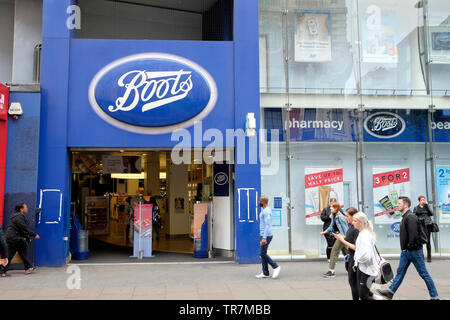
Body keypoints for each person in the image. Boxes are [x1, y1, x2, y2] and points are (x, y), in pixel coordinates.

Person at [377, 196, 439, 300]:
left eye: (399, 203)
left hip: (414, 251)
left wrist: (409, 247)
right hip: (406, 252)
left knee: (424, 274)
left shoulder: (410, 217)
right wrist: (406, 249)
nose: (397, 205)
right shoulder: (406, 216)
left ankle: (435, 296)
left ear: (406, 205)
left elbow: (413, 235)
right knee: (400, 272)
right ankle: (390, 291)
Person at [332, 207, 363, 300]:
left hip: (356, 258)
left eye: (347, 216)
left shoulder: (356, 228)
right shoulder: (351, 226)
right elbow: (350, 238)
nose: (345, 218)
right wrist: (342, 237)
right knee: (354, 282)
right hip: (352, 258)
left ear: (353, 216)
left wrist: (342, 240)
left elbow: (356, 247)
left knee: (354, 282)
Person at [0, 203, 40, 276]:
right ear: (21, 209)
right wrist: (34, 234)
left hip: (17, 238)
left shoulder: (17, 216)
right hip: (14, 238)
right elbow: (24, 228)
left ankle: (28, 267)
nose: (27, 208)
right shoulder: (18, 217)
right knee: (11, 254)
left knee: (22, 253)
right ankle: (2, 270)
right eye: (26, 207)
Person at [351, 211, 379, 300]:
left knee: (363, 296)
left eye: (355, 221)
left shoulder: (365, 235)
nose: (352, 223)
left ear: (361, 222)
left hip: (368, 269)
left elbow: (366, 255)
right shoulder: (362, 233)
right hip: (363, 268)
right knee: (363, 293)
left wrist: (357, 259)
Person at [320, 202, 348, 278]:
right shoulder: (334, 216)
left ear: (336, 208)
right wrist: (324, 232)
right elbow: (331, 226)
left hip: (342, 237)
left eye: (332, 207)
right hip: (338, 236)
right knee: (347, 253)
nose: (330, 208)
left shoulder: (341, 217)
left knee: (334, 251)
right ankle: (353, 268)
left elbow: (346, 229)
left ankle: (331, 271)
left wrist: (344, 238)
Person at [255, 196, 281, 279]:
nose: (258, 202)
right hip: (264, 235)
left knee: (262, 253)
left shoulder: (266, 212)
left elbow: (267, 225)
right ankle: (265, 273)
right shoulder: (265, 210)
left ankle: (275, 266)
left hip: (266, 235)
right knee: (263, 254)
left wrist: (264, 238)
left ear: (263, 202)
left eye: (259, 201)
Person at [413, 196, 434, 262]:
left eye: (424, 200)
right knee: (420, 241)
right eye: (422, 200)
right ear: (419, 201)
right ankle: (421, 257)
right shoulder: (416, 208)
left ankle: (429, 257)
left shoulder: (426, 206)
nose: (423, 201)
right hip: (420, 226)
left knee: (428, 241)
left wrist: (427, 205)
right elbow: (414, 216)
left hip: (428, 225)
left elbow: (431, 214)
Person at [320, 198, 337, 263]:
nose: (332, 204)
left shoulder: (338, 209)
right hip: (327, 228)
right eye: (331, 202)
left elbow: (342, 216)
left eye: (334, 202)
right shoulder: (326, 209)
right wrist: (328, 217)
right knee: (330, 244)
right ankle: (329, 258)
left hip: (336, 229)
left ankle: (334, 258)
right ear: (329, 203)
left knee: (335, 245)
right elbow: (322, 218)